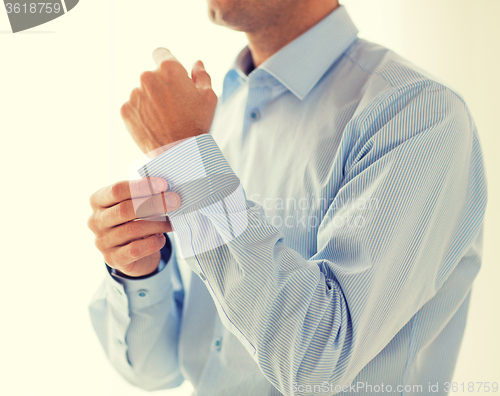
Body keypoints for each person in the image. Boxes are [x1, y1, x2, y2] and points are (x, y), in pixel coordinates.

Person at [86, 1, 488, 395]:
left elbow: (314, 367)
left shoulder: (417, 113)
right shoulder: (213, 115)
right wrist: (139, 271)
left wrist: (187, 154)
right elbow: (155, 371)